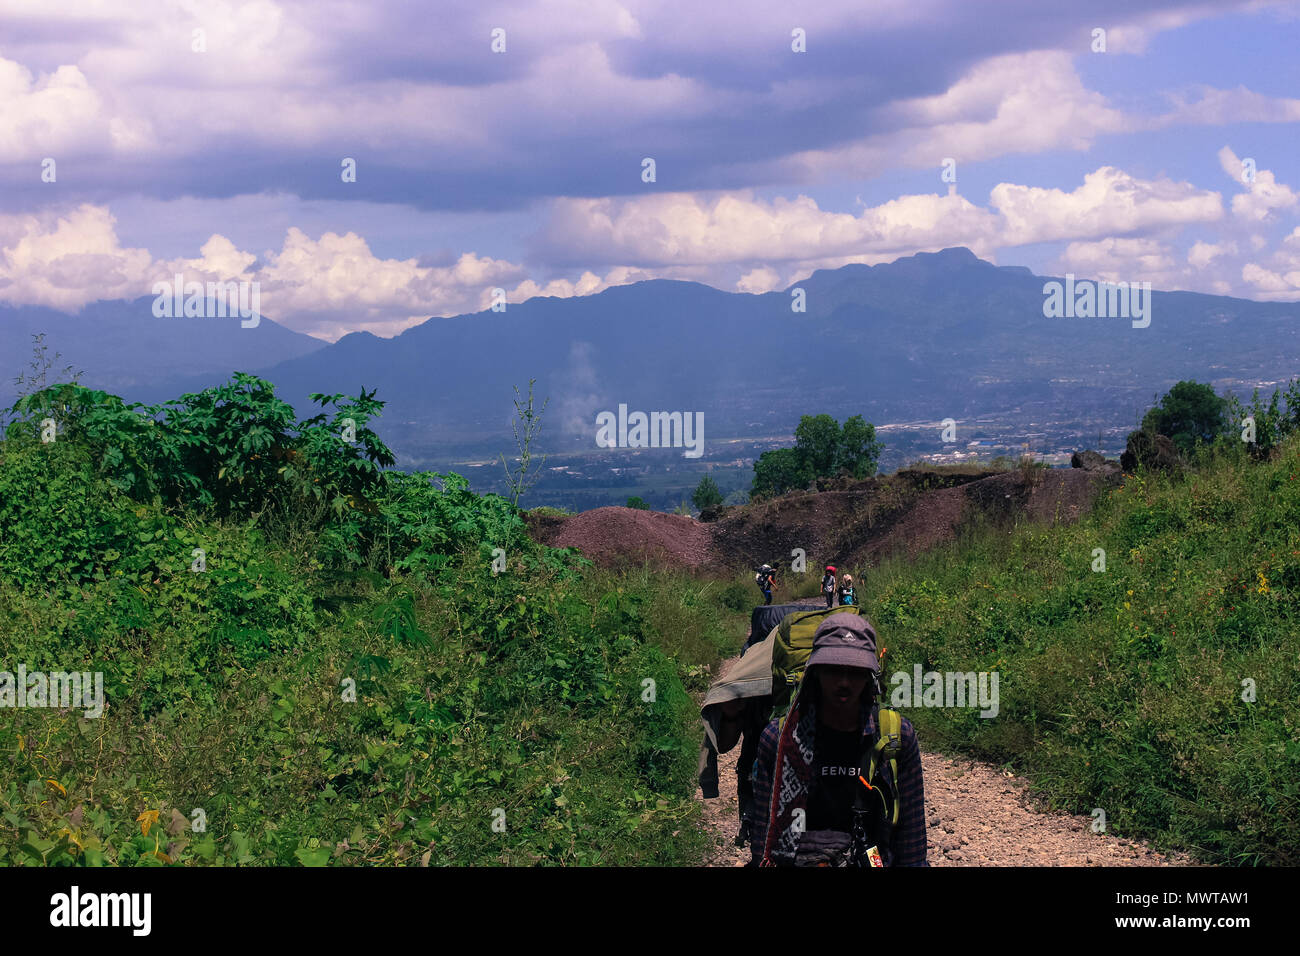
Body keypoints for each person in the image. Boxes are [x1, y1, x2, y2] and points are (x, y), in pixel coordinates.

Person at [747, 614, 927, 867]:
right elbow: (764, 844)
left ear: (869, 677)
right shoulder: (778, 740)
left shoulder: (895, 737)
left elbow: (911, 842)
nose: (844, 682)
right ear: (815, 673)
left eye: (854, 671)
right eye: (833, 670)